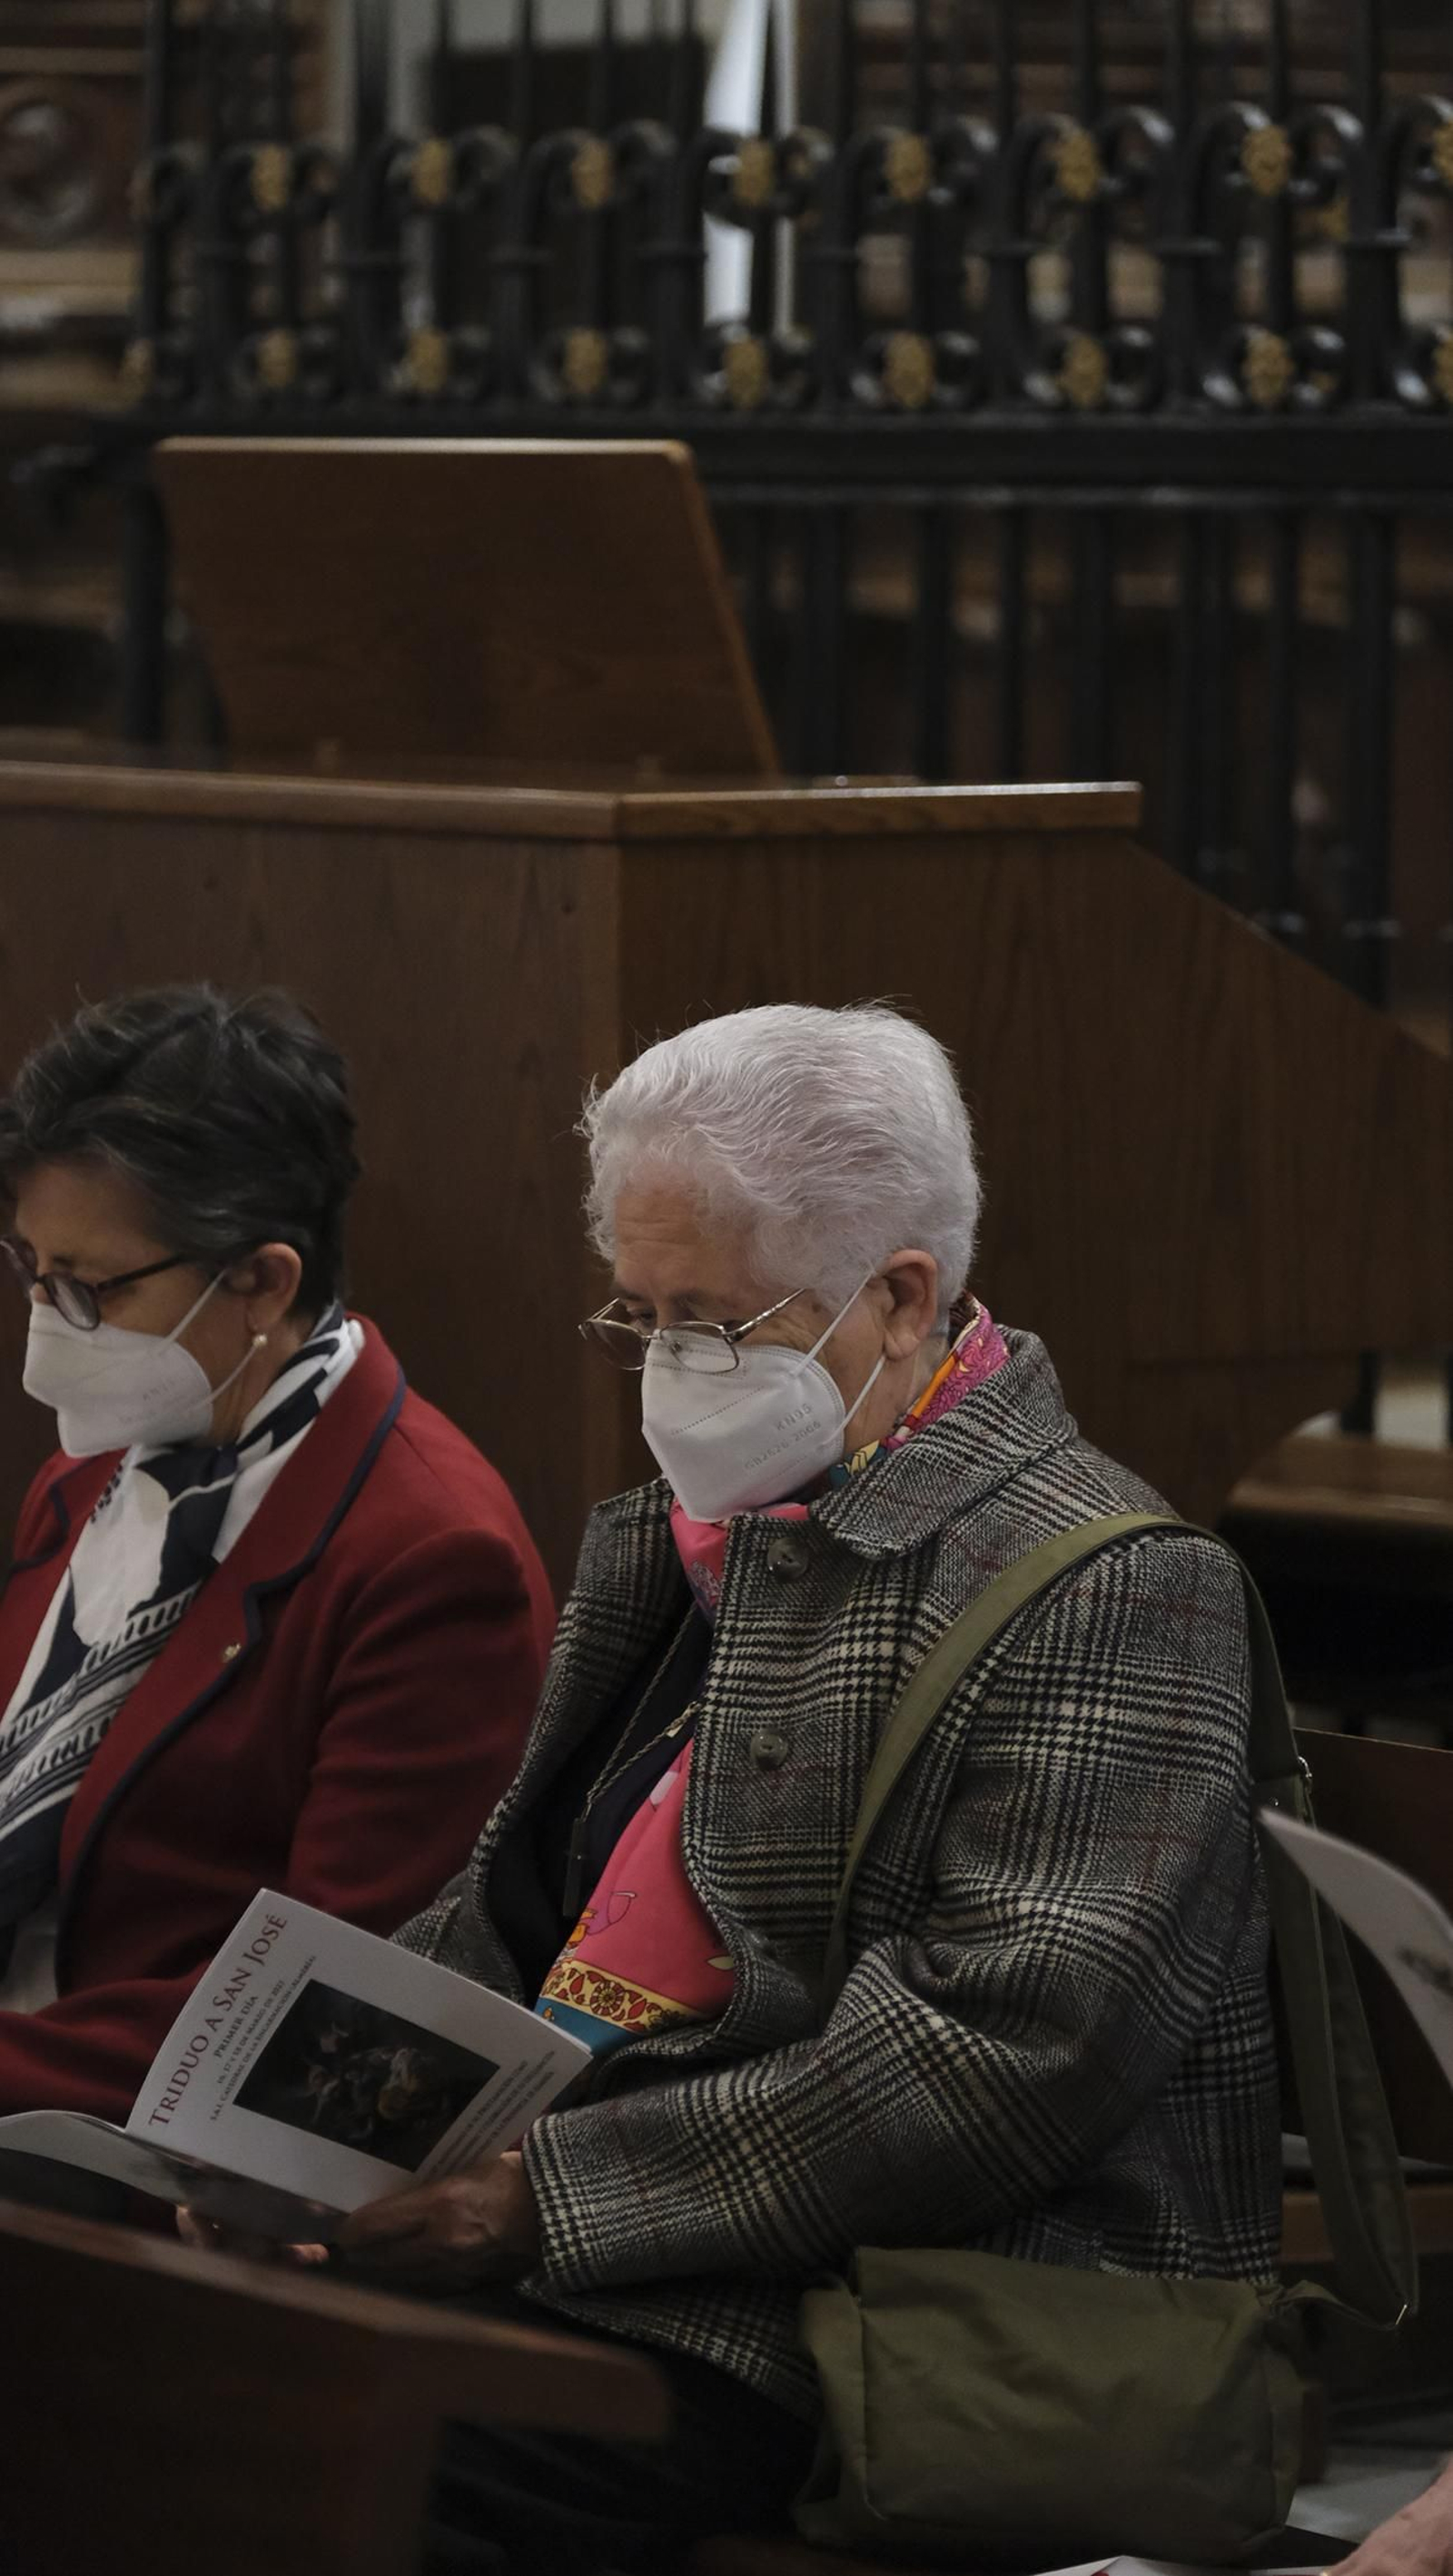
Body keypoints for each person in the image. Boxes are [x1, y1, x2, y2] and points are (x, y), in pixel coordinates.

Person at [189, 1001, 1282, 2572]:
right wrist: (284, 2137)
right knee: (121, 2360)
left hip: (882, 2311)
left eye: (708, 1320)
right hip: (613, 2239)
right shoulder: (703, 1530)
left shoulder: (1110, 1583)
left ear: (901, 1298)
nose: (668, 1368)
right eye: (637, 1316)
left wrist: (537, 2201)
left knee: (290, 2450)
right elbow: (520, 1904)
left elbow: (1005, 2052)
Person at [0, 983, 553, 2141]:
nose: (49, 1328)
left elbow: (325, 2011)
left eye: (91, 1289)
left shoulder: (431, 1557)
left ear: (262, 1280)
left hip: (149, 2154)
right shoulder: (88, 1473)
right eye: (32, 1271)